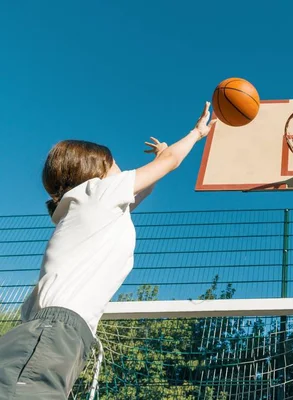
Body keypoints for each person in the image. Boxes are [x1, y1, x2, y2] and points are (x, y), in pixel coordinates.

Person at [0, 102, 217, 399]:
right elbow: (169, 163)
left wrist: (161, 159)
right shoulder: (94, 193)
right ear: (96, 171)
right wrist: (196, 133)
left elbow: (145, 187)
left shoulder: (95, 207)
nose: (122, 169)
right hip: (53, 330)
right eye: (115, 164)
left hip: (60, 334)